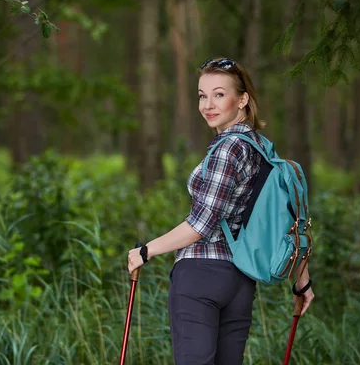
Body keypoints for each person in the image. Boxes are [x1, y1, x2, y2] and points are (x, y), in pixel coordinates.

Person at [127, 58, 315, 364]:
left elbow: (201, 225)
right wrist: (302, 280)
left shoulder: (228, 149)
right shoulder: (262, 148)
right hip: (240, 282)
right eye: (202, 95)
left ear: (242, 99)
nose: (207, 105)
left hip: (200, 277)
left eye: (219, 94)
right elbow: (287, 218)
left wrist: (146, 251)